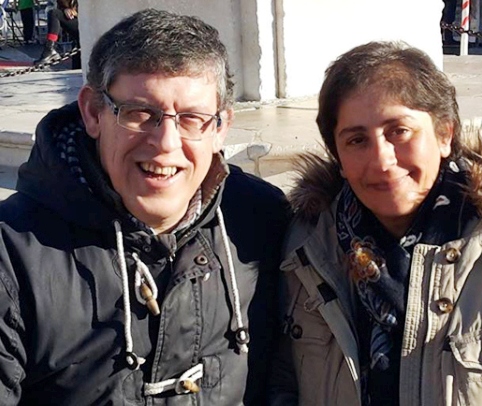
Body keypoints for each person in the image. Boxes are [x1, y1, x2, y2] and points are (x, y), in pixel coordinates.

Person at [0, 8, 290, 405]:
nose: (166, 142)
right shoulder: (12, 256)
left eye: (191, 118)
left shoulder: (260, 220)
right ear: (93, 112)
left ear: (220, 127)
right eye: (140, 114)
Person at [269, 41, 482, 405]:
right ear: (338, 157)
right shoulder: (307, 249)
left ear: (444, 135)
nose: (382, 161)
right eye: (357, 140)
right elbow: (283, 384)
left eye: (398, 131)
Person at [33, 0, 79, 66]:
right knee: (77, 66)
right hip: (78, 33)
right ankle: (50, 48)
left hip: (87, 26)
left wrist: (74, 12)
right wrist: (64, 9)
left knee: (54, 14)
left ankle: (49, 48)